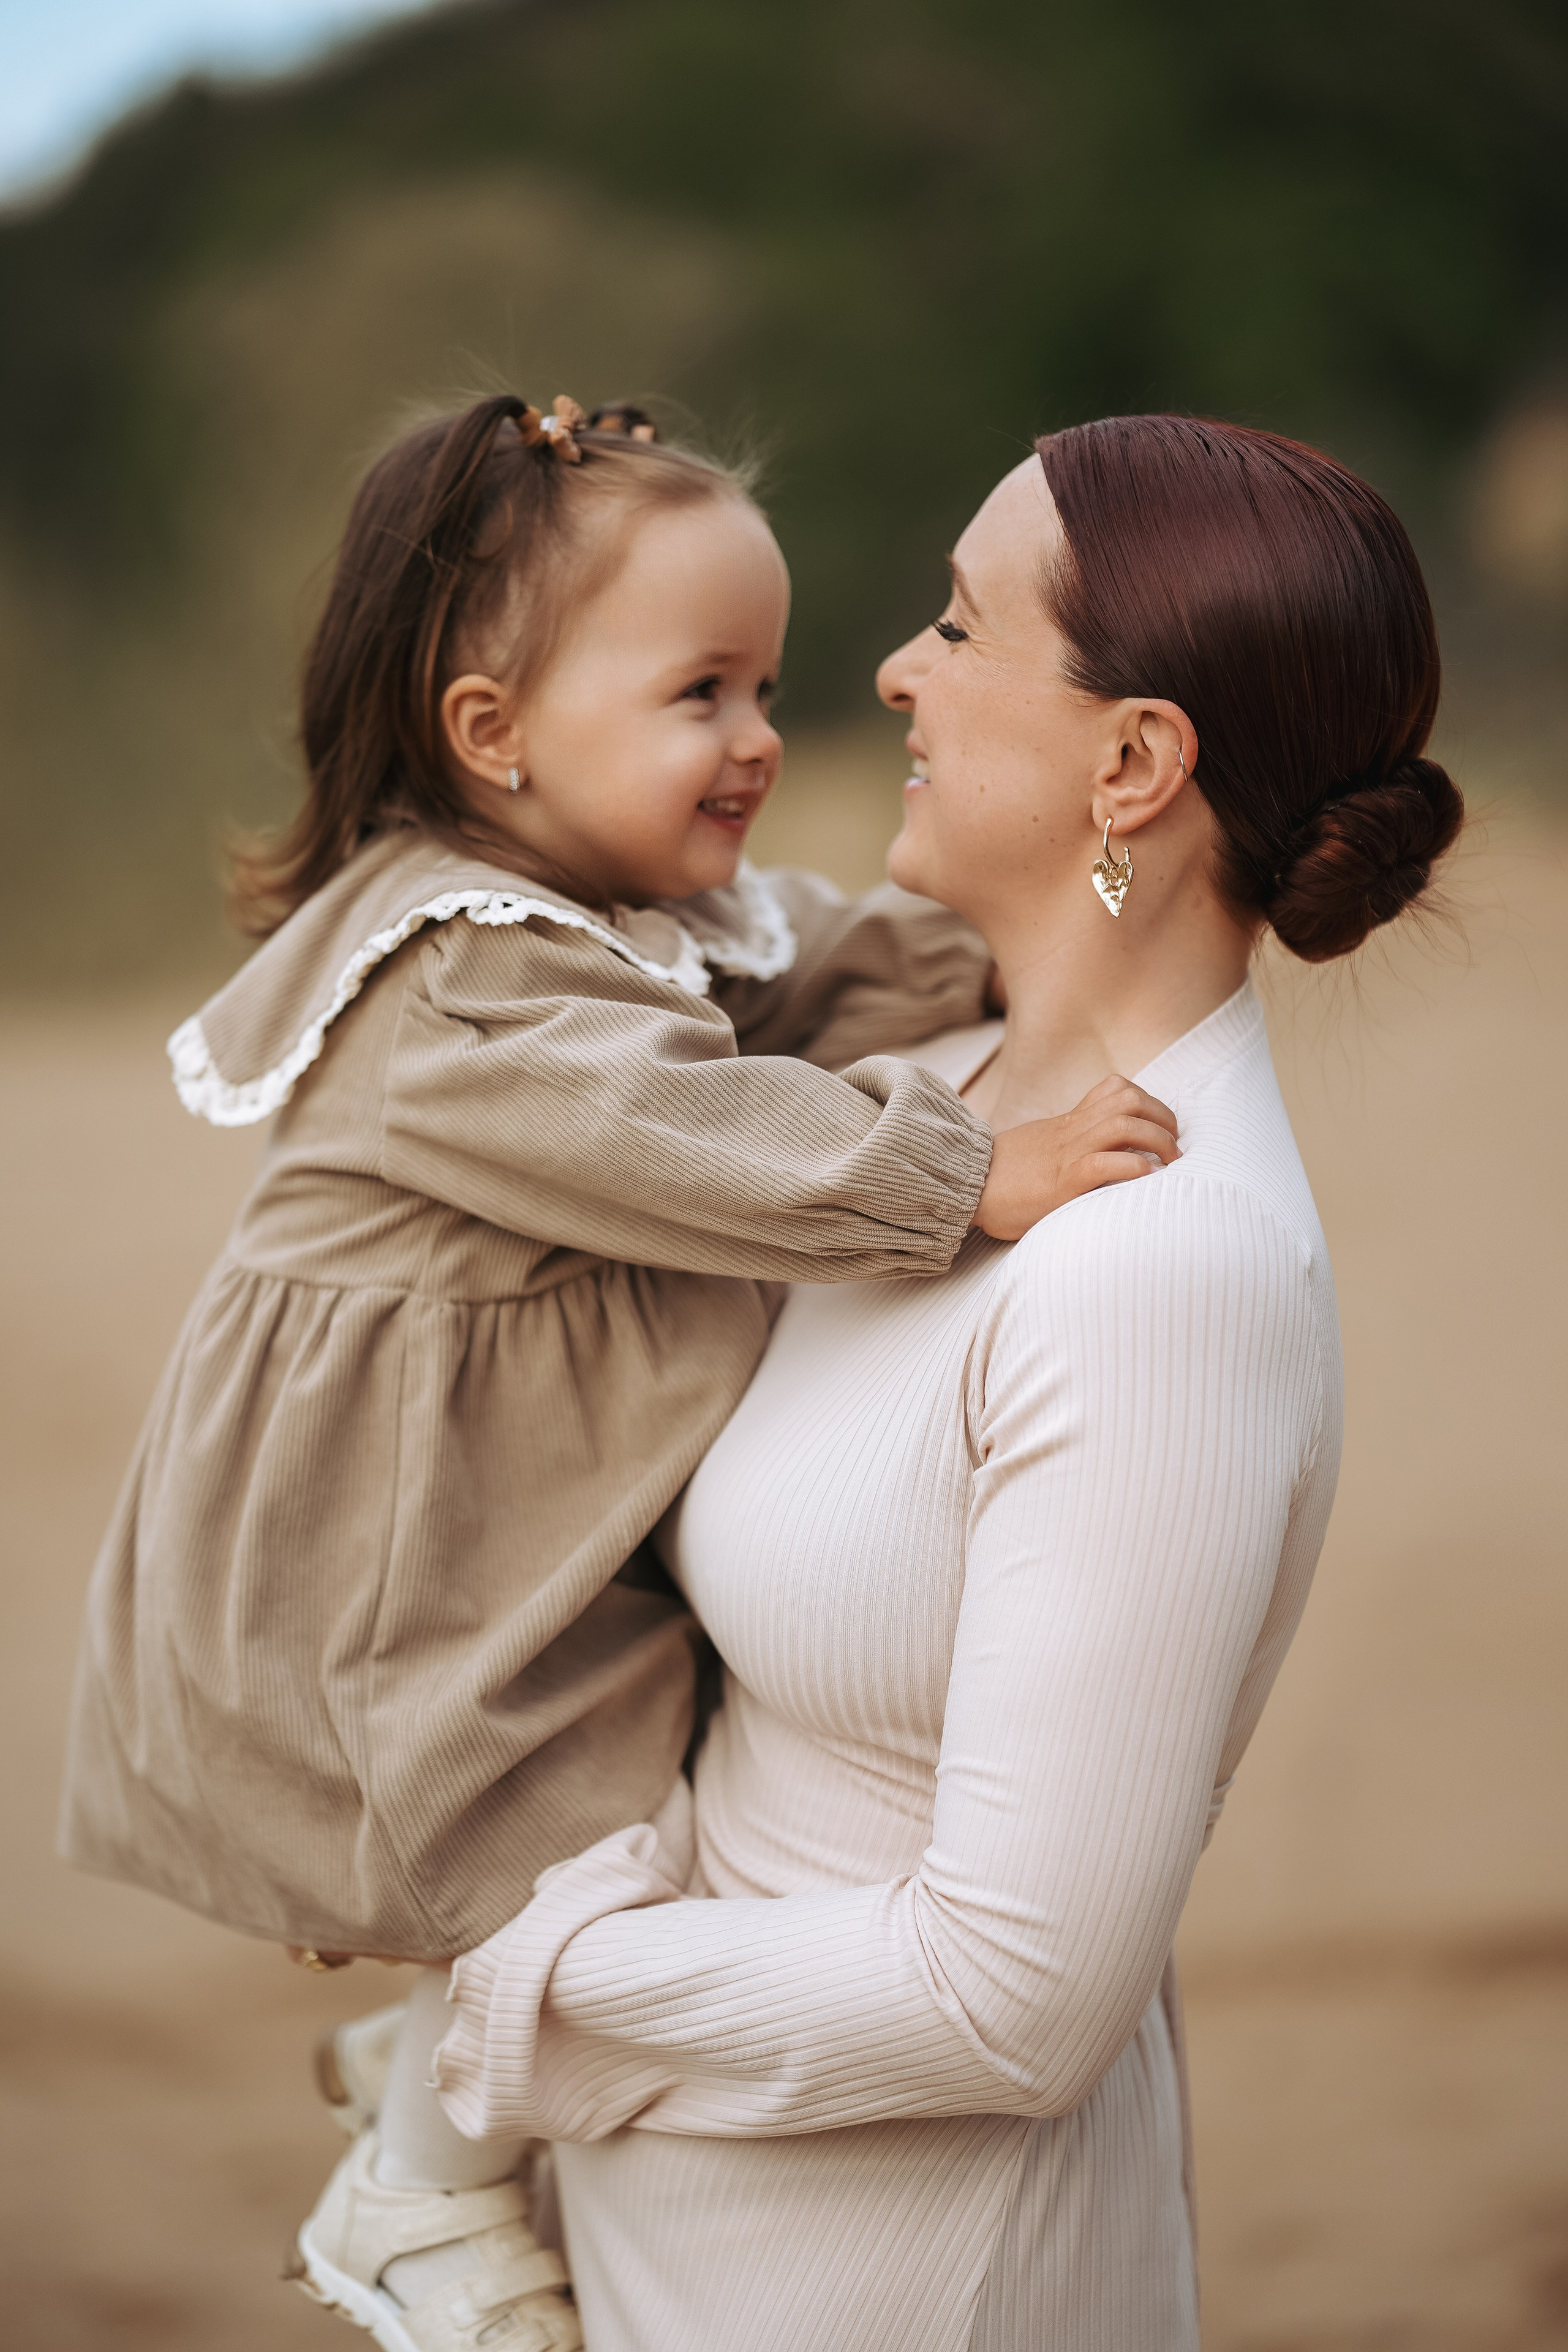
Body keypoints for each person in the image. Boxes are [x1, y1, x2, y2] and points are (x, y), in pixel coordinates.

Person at [56, 393, 1178, 2352]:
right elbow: (686, 1127)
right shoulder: (460, 973)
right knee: (575, 1816)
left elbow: (826, 968)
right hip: (374, 1570)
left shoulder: (626, 912)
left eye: (763, 682)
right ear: (494, 735)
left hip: (471, 1517)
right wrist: (967, 1170)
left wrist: (1048, 934)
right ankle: (424, 2179)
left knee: (589, 1796)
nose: (757, 738)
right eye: (700, 693)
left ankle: (433, 2075)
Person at [429, 415, 1465, 2352]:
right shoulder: (938, 1110)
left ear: (1132, 764)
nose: (897, 669)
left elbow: (1018, 1996)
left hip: (902, 2284)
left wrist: (528, 1989)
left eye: (963, 628)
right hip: (691, 2231)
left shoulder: (1164, 1266)